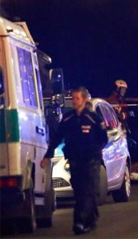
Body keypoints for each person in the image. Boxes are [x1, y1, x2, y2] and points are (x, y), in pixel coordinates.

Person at [40, 87, 108, 235]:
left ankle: (79, 221)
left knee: (88, 190)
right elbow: (58, 138)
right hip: (75, 160)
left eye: (77, 98)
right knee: (79, 191)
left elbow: (103, 138)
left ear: (84, 100)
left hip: (90, 160)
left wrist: (95, 152)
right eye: (73, 98)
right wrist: (47, 155)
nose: (74, 101)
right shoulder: (68, 119)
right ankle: (91, 219)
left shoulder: (93, 118)